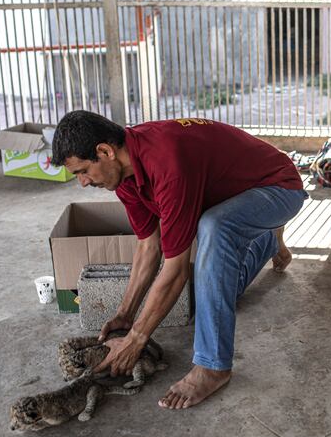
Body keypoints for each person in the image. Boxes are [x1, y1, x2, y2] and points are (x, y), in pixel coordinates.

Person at [51, 111, 307, 410]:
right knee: (217, 292)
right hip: (236, 198)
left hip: (280, 189)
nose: (82, 182)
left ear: (105, 151)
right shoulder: (125, 175)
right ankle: (267, 240)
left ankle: (213, 366)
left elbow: (175, 271)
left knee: (214, 226)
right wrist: (125, 315)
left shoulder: (166, 162)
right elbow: (149, 246)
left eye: (82, 171)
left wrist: (136, 340)